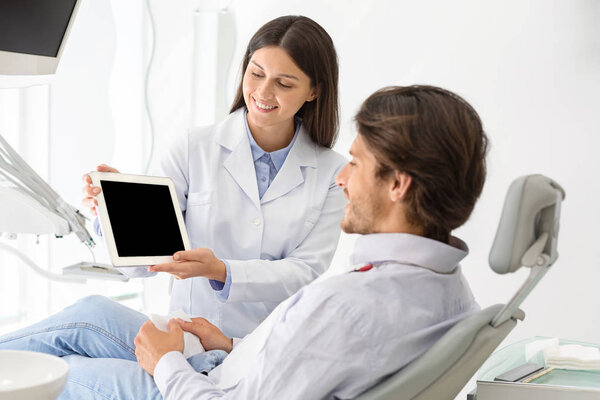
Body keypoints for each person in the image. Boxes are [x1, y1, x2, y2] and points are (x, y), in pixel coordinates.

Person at [21, 84, 485, 399]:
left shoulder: (351, 303)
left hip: (197, 387)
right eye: (257, 75)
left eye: (357, 164)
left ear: (398, 185)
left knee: (45, 377)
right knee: (89, 316)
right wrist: (231, 344)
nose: (343, 177)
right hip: (224, 363)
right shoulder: (445, 288)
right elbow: (315, 358)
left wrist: (166, 364)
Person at [0, 15, 346, 398]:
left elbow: (304, 273)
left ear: (314, 91)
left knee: (67, 358)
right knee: (82, 327)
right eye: (256, 73)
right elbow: (146, 264)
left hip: (252, 352)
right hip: (184, 336)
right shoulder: (194, 147)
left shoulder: (334, 173)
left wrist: (222, 270)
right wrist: (117, 217)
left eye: (284, 83)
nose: (263, 91)